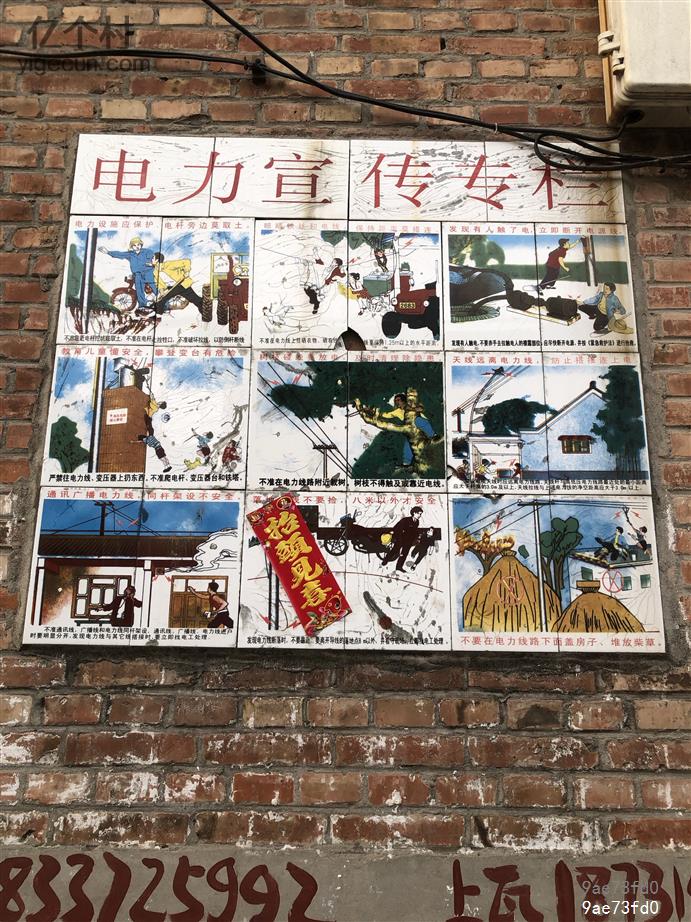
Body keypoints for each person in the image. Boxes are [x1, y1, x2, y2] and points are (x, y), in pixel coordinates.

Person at [99, 237, 157, 310]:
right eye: (134, 245)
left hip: (148, 273)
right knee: (139, 291)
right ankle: (142, 307)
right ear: (131, 247)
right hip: (137, 275)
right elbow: (120, 254)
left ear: (141, 245)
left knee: (154, 287)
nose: (137, 247)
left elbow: (153, 259)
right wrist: (108, 252)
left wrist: (152, 263)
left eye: (138, 244)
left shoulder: (147, 251)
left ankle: (164, 303)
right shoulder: (130, 254)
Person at [380, 506, 423, 572]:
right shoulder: (405, 520)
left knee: (404, 554)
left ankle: (399, 567)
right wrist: (394, 534)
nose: (420, 515)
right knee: (394, 551)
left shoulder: (417, 522)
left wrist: (417, 537)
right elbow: (397, 527)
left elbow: (414, 531)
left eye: (420, 514)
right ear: (414, 513)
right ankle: (385, 560)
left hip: (409, 541)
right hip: (401, 539)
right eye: (419, 513)